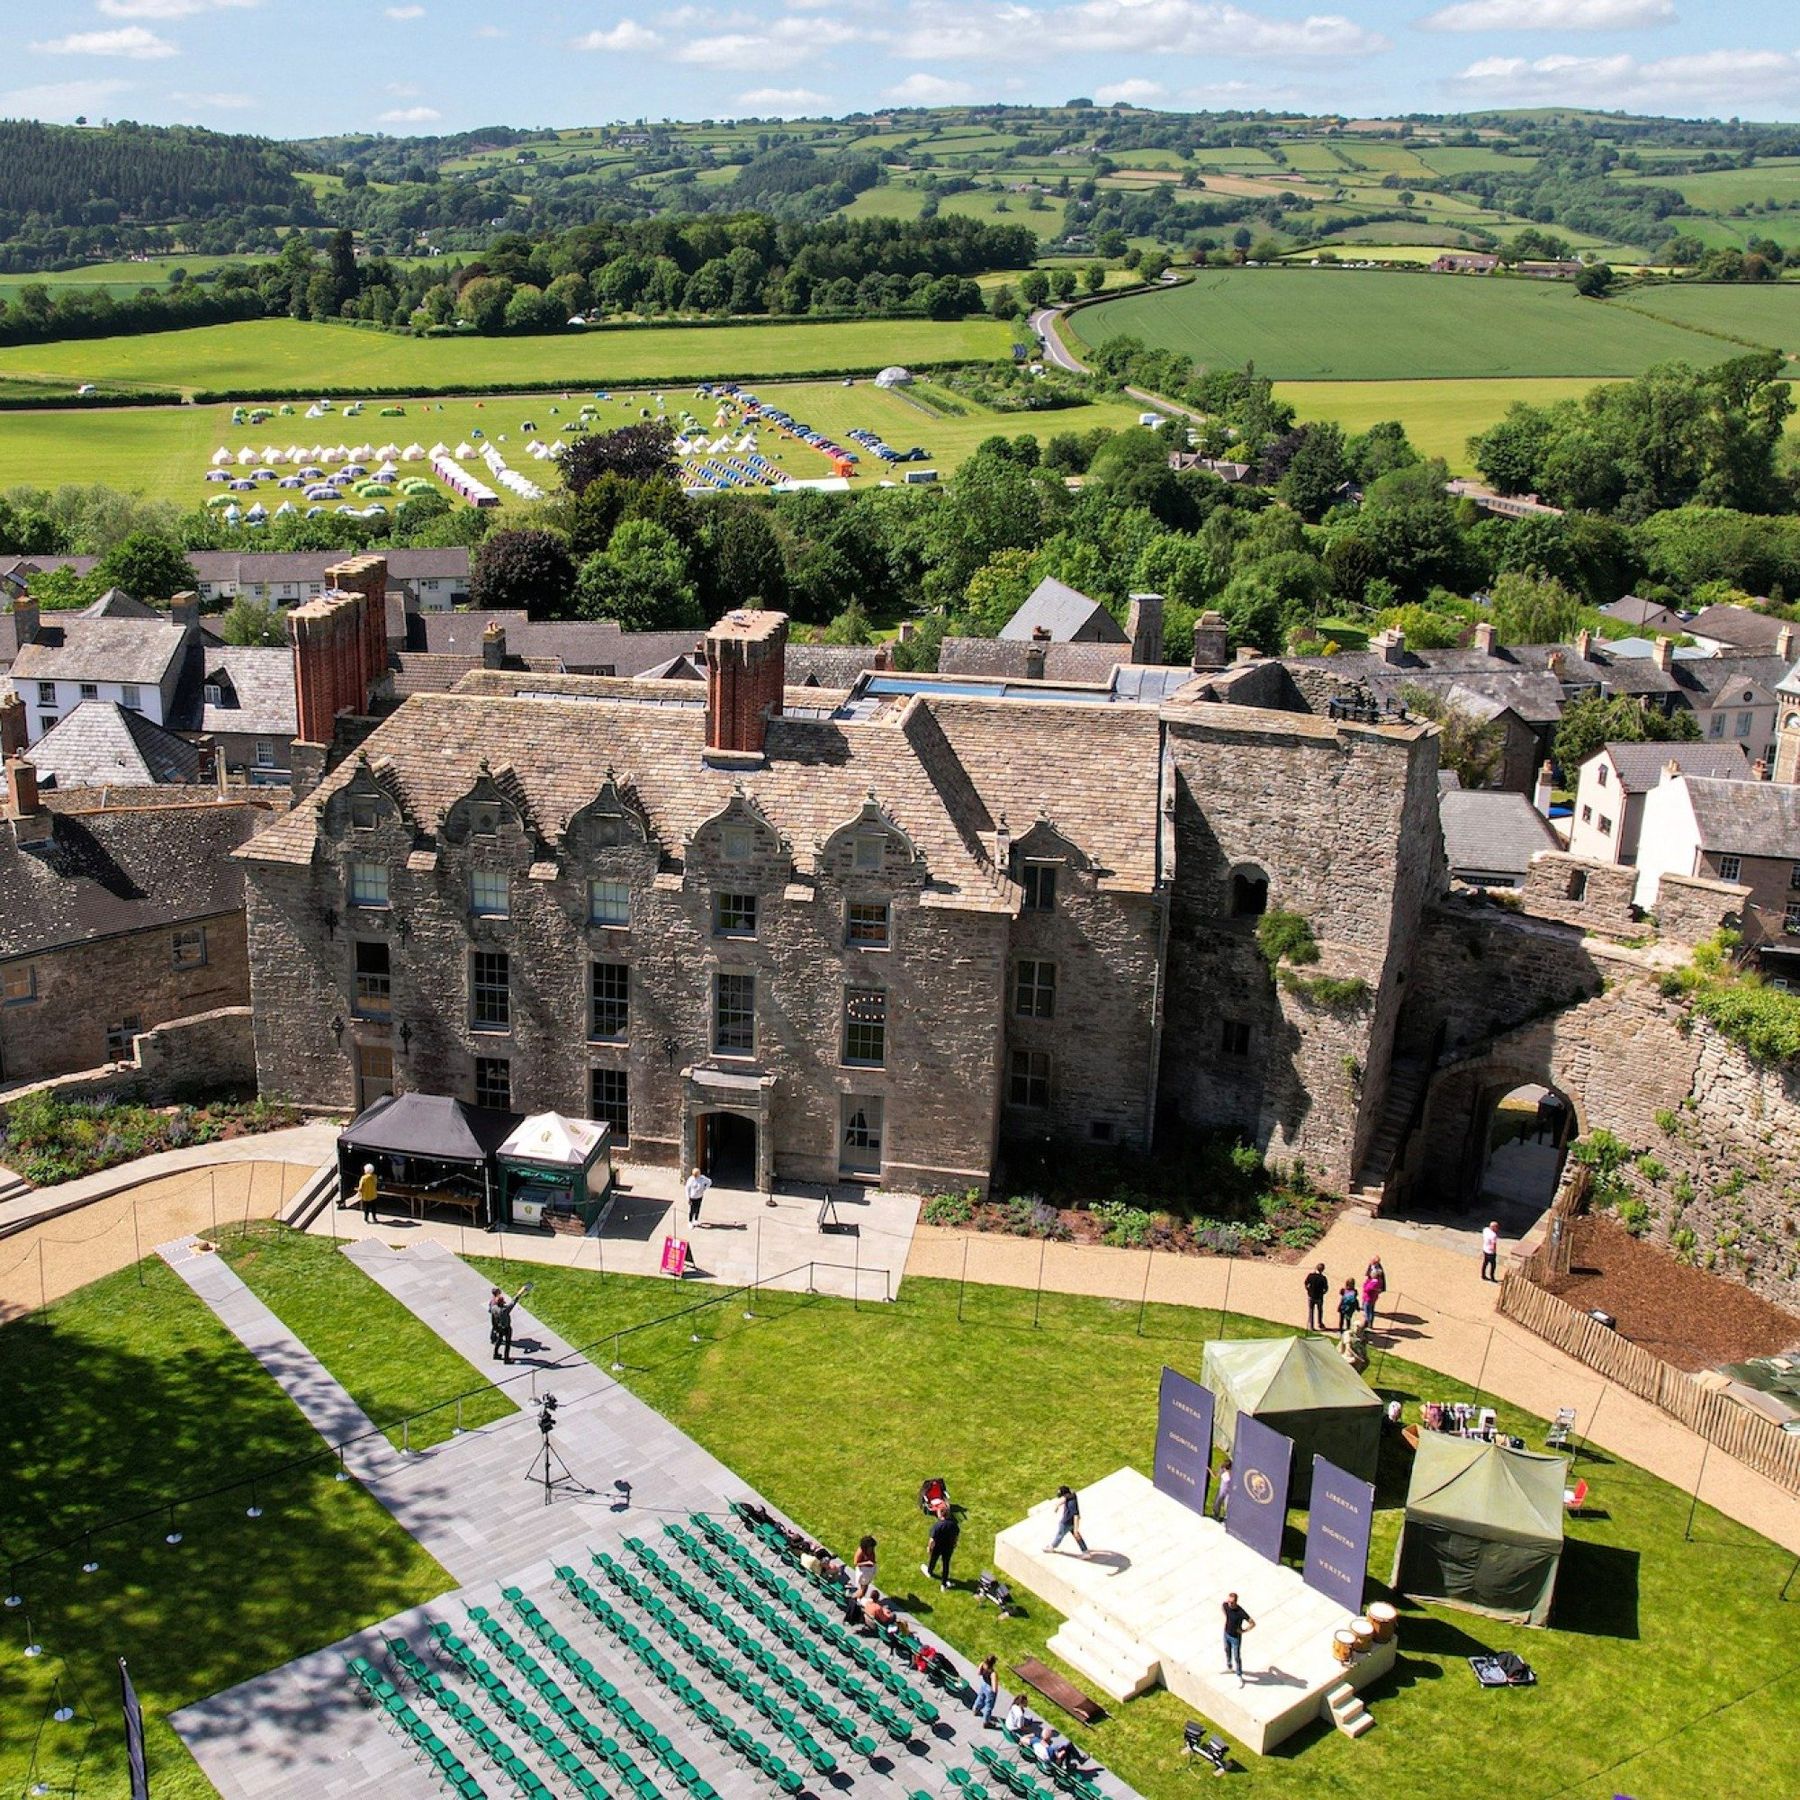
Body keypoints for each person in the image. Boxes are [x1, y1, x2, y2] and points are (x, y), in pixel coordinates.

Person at [1222, 1592, 1255, 1685]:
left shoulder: (1240, 1612)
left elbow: (1252, 1623)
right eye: (1228, 1601)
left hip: (1235, 1638)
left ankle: (1239, 1674)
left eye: (1231, 1602)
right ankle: (1229, 1667)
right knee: (1226, 1650)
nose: (1229, 1604)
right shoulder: (1225, 1605)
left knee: (1236, 1656)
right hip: (1226, 1633)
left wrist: (1244, 1631)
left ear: (1236, 1602)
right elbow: (1223, 1608)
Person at [1046, 1484, 1088, 1555]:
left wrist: (1076, 1529)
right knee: (1077, 1536)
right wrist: (1057, 1506)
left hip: (1066, 1522)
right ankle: (1085, 1552)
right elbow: (1063, 1499)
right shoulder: (1072, 1496)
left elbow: (1076, 1515)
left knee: (1060, 1535)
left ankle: (1052, 1547)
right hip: (1071, 1522)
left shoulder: (1071, 1503)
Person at [924, 1507, 960, 1591]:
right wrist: (954, 1544)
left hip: (938, 1547)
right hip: (948, 1547)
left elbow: (932, 1540)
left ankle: (929, 1572)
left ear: (940, 1514)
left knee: (933, 1559)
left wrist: (929, 1548)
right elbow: (956, 1537)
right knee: (946, 1565)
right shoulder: (954, 1525)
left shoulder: (937, 1526)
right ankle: (943, 1585)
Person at [488, 1284, 521, 1364]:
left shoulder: (494, 1308)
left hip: (499, 1327)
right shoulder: (504, 1310)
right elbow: (512, 1303)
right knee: (507, 1343)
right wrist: (518, 1296)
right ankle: (507, 1359)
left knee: (499, 1340)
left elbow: (491, 1310)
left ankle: (495, 1354)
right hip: (506, 1328)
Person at [971, 1654, 999, 1726]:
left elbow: (979, 1673)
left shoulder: (982, 1664)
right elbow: (994, 1688)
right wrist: (994, 1694)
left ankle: (975, 1710)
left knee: (980, 1698)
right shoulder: (993, 1673)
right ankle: (986, 1722)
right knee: (989, 1706)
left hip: (984, 1685)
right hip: (989, 1689)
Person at [1304, 1261, 1328, 1331]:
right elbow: (1326, 1288)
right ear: (1322, 1270)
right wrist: (1323, 1293)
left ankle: (1311, 1326)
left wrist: (1308, 1290)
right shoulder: (1323, 1278)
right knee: (1320, 1310)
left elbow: (1306, 1283)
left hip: (1311, 1296)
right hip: (1319, 1297)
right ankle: (1320, 1323)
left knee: (1311, 1311)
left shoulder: (1310, 1276)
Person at [1361, 1267, 1383, 1333]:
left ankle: (1367, 1325)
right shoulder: (1378, 1281)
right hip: (1372, 1298)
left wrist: (1366, 1283)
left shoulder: (1374, 1282)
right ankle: (1370, 1324)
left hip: (1369, 1299)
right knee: (1371, 1311)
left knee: (1367, 1312)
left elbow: (1366, 1289)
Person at [1211, 1455, 1232, 1522]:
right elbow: (1215, 1476)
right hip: (1221, 1490)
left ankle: (1226, 1519)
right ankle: (1215, 1516)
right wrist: (1209, 1469)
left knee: (1227, 1506)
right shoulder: (1222, 1470)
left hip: (1228, 1492)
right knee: (1217, 1503)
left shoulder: (1231, 1473)